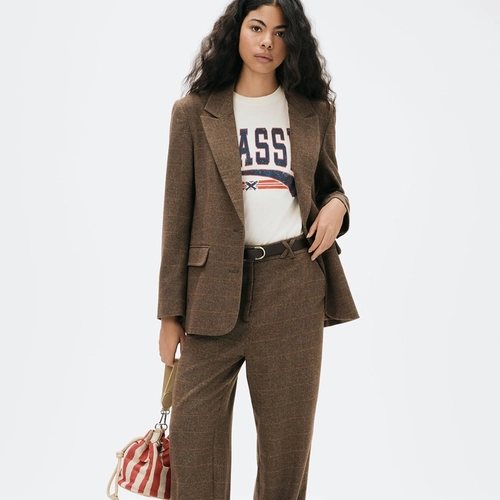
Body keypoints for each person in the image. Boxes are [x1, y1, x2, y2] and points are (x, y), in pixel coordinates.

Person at [157, 0, 359, 498]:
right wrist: (169, 314)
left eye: (281, 31)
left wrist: (338, 206)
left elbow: (330, 186)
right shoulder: (193, 114)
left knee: (285, 459)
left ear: (294, 42)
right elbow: (176, 218)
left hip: (293, 288)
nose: (268, 40)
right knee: (194, 454)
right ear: (237, 33)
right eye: (257, 27)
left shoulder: (313, 112)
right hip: (211, 296)